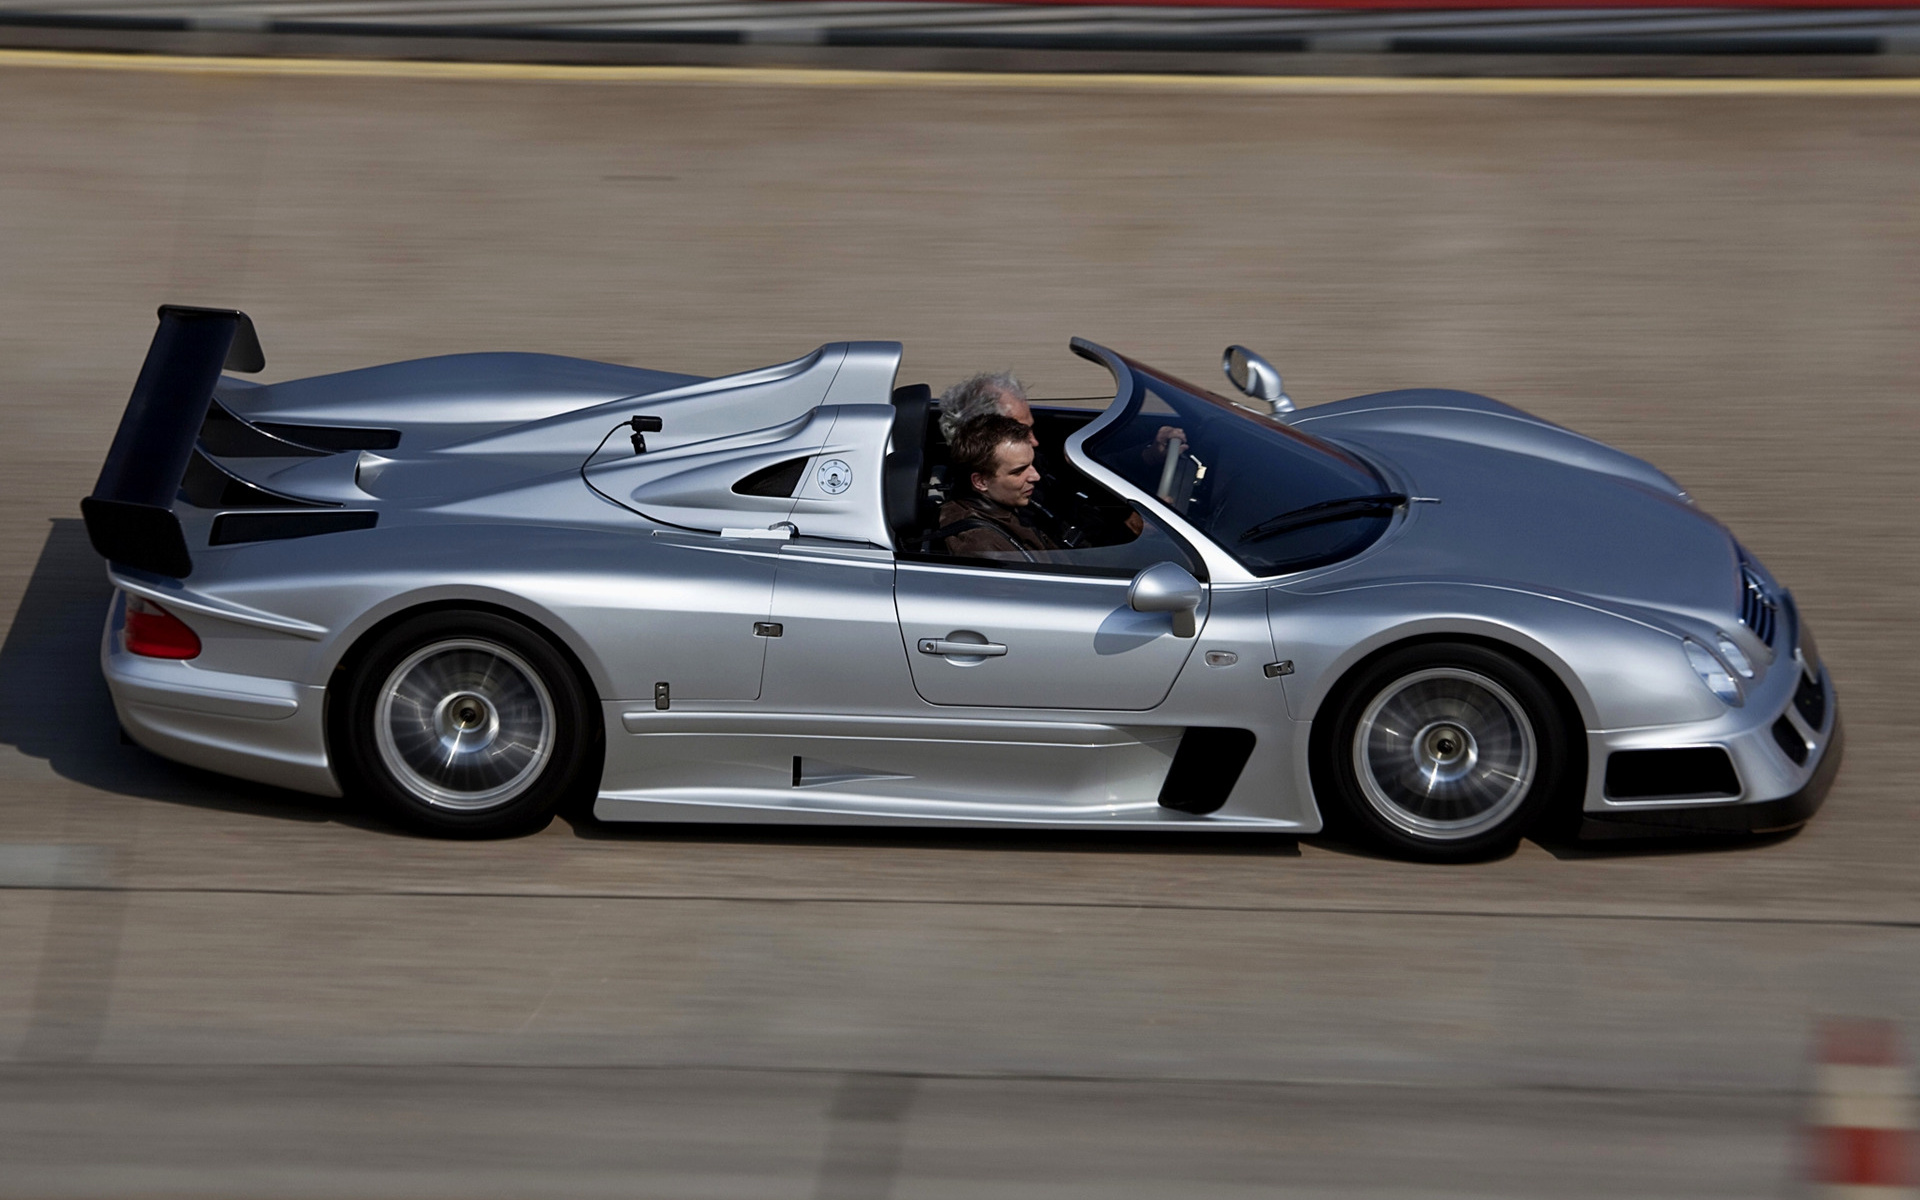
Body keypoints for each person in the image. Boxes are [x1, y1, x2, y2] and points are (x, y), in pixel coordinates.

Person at [933, 415, 1061, 561]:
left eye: (1032, 464)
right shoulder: (982, 545)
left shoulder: (1006, 501)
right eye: (1018, 471)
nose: (1036, 476)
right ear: (981, 482)